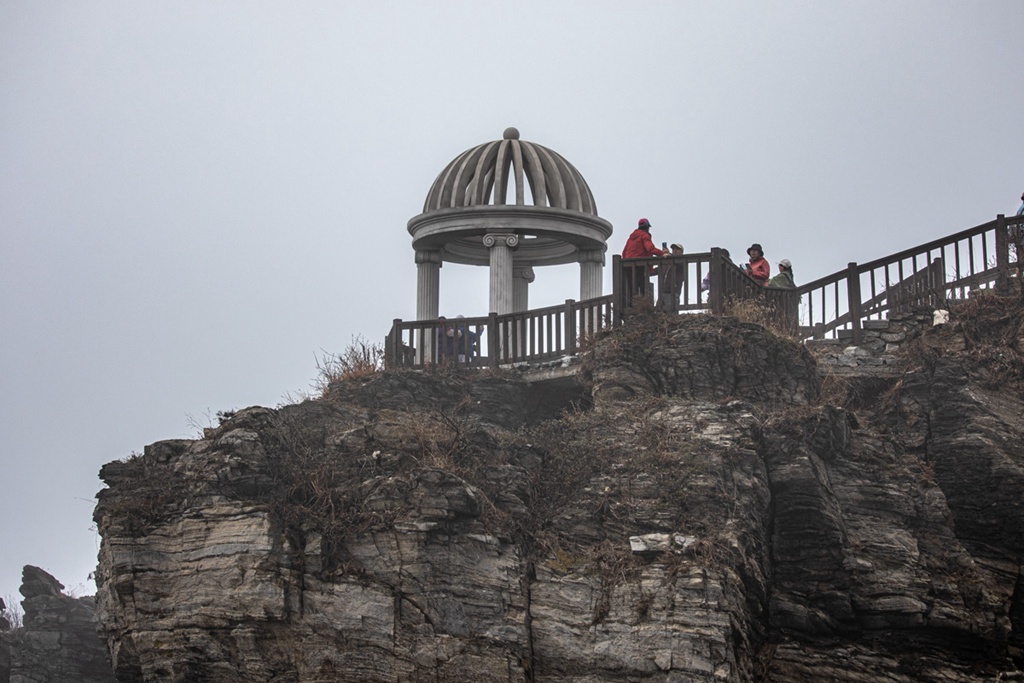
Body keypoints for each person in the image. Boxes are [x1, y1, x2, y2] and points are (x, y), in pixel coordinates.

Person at [621, 217, 665, 305]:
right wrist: (662, 254)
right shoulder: (645, 235)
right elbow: (650, 248)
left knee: (632, 287)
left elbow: (624, 252)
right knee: (643, 285)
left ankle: (632, 304)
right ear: (647, 227)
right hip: (639, 265)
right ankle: (644, 305)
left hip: (628, 265)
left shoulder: (631, 238)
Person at [657, 243, 686, 312]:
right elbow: (656, 271)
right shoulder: (667, 263)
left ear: (681, 252)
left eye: (677, 249)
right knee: (658, 315)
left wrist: (669, 255)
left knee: (672, 315)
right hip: (662, 292)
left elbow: (679, 264)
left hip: (673, 292)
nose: (674, 251)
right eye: (673, 249)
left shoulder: (682, 261)